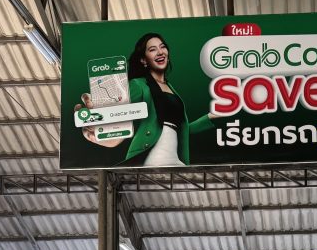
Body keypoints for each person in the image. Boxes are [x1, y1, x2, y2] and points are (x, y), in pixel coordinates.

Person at [75, 32, 217, 167]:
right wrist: (98, 129)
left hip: (173, 156)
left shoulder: (171, 88)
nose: (160, 52)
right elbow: (119, 125)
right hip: (154, 156)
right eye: (152, 49)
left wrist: (211, 117)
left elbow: (182, 129)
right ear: (143, 60)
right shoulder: (138, 85)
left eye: (162, 47)